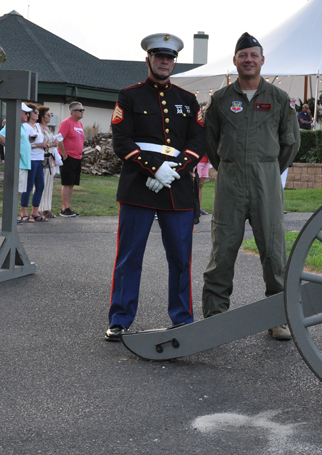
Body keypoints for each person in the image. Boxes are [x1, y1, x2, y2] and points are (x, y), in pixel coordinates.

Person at [106, 33, 205, 342]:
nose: (165, 61)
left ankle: (182, 318)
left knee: (180, 258)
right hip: (138, 186)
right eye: (159, 56)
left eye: (170, 57)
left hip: (177, 190)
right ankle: (120, 318)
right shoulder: (129, 96)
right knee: (129, 257)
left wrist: (171, 172)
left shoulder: (188, 101)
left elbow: (197, 141)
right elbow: (121, 140)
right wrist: (153, 168)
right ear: (147, 59)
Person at [201, 32, 300, 341]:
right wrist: (230, 167)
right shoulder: (220, 100)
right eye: (242, 55)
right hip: (230, 180)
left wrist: (268, 169)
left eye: (253, 55)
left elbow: (291, 142)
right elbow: (210, 141)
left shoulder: (279, 99)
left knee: (273, 251)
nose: (248, 59)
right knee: (223, 249)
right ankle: (216, 317)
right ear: (235, 60)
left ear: (262, 60)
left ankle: (278, 318)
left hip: (266, 181)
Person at [0, 103, 33, 223]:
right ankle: (10, 217)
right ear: (18, 112)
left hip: (23, 164)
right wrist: (13, 150)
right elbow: (0, 137)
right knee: (14, 191)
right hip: (18, 164)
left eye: (28, 113)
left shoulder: (21, 126)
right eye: (25, 112)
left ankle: (12, 217)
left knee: (18, 191)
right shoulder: (13, 124)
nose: (28, 115)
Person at [20, 103, 50, 222]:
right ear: (29, 114)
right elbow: (25, 145)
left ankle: (35, 212)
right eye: (35, 112)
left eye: (38, 112)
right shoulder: (25, 126)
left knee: (40, 185)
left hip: (39, 158)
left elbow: (41, 142)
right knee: (28, 186)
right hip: (30, 159)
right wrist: (39, 144)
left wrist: (47, 144)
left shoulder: (37, 126)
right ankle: (24, 213)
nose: (38, 114)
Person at [58, 101, 86, 217]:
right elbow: (59, 139)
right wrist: (64, 154)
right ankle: (64, 209)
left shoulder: (79, 124)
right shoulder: (66, 123)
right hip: (68, 157)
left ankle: (68, 207)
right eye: (80, 110)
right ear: (72, 112)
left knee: (72, 183)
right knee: (67, 183)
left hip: (77, 157)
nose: (82, 112)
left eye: (83, 110)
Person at [38, 106, 59, 219]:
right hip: (43, 156)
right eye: (48, 115)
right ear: (42, 117)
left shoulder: (47, 128)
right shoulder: (39, 127)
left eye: (51, 115)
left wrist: (54, 141)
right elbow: (42, 142)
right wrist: (52, 144)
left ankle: (47, 207)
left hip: (50, 157)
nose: (50, 116)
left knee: (49, 182)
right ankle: (39, 208)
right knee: (42, 182)